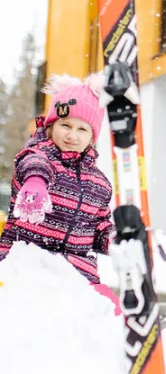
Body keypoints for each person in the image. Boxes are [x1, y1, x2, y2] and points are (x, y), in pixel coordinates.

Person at [0, 73, 118, 312]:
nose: (72, 135)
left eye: (82, 129)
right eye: (65, 125)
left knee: (109, 317)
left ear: (92, 136)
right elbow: (33, 166)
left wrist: (118, 241)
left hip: (77, 274)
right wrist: (35, 184)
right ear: (52, 126)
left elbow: (99, 229)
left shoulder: (100, 183)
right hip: (27, 264)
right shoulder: (37, 155)